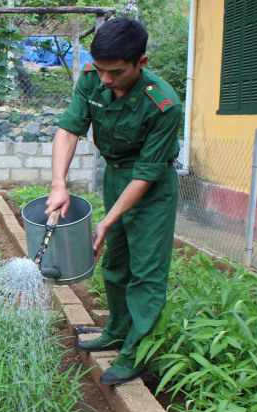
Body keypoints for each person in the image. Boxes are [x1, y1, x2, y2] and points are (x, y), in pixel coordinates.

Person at [46, 18, 182, 386]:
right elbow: (68, 130)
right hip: (116, 175)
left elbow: (146, 174)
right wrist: (59, 184)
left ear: (142, 62)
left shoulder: (164, 104)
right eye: (101, 70)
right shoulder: (92, 78)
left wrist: (107, 220)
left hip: (150, 185)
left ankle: (137, 350)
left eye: (116, 72)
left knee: (147, 271)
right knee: (116, 262)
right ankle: (117, 332)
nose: (106, 79)